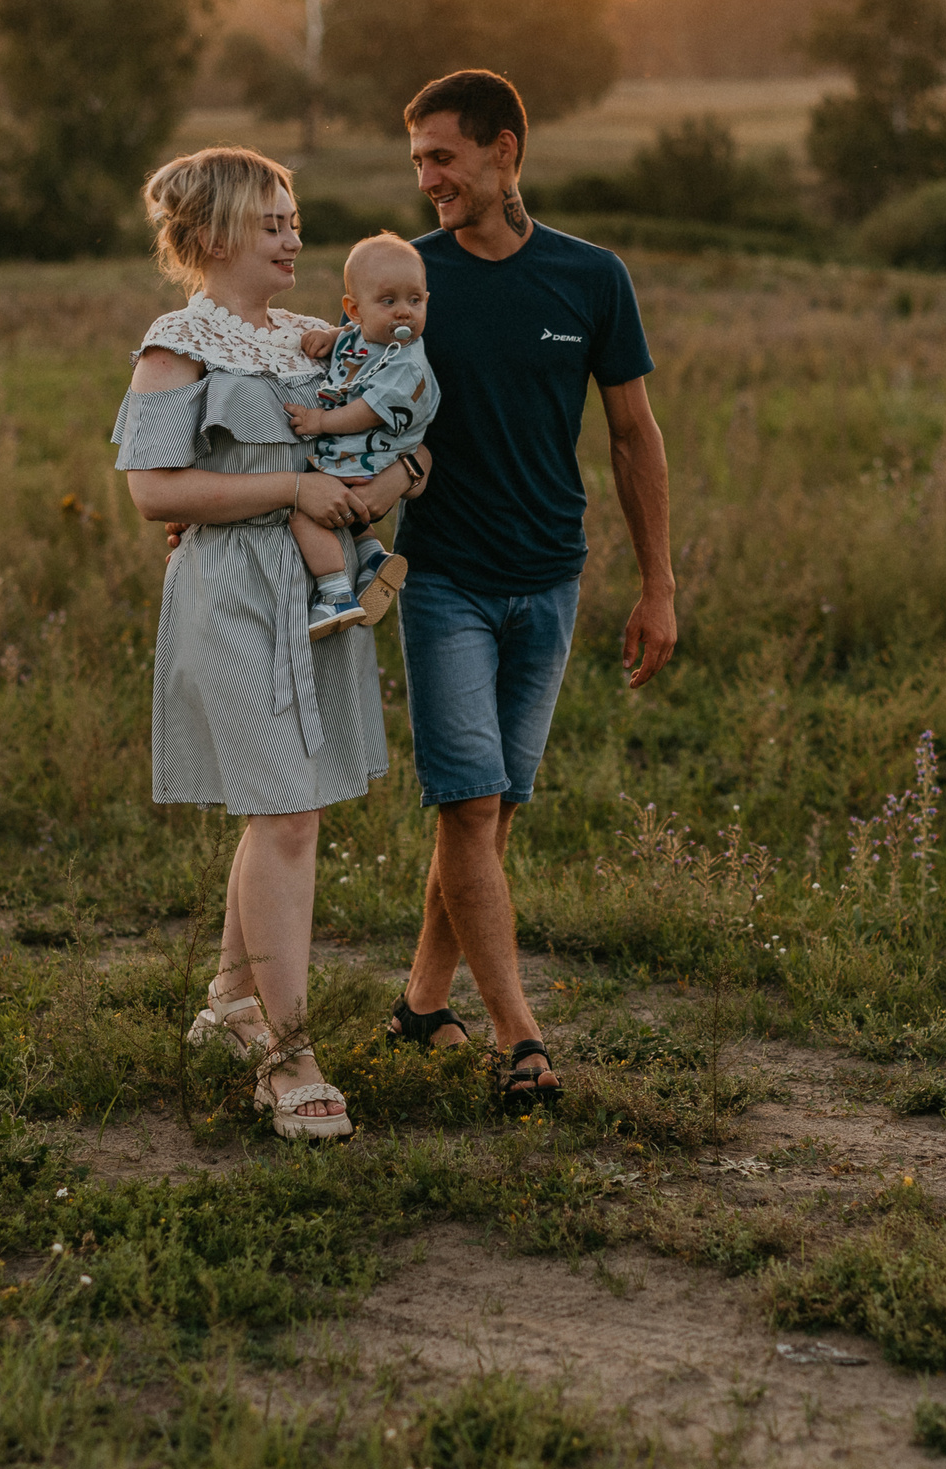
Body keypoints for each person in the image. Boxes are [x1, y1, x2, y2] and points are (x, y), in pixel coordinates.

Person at [111, 147, 426, 1142]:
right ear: (212, 237)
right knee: (286, 812)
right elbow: (154, 491)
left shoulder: (320, 340)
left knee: (289, 809)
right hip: (230, 592)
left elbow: (407, 409)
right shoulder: (177, 346)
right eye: (273, 223)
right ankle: (287, 1057)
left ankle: (230, 1005)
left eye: (296, 220)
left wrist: (403, 472)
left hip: (314, 588)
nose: (295, 238)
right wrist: (288, 488)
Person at [383, 70, 678, 1107]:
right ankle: (521, 1036)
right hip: (444, 580)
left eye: (442, 156)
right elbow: (320, 383)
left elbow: (633, 434)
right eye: (417, 158)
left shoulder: (590, 277)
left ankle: (421, 1003)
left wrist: (658, 585)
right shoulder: (406, 281)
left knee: (492, 812)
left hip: (551, 578)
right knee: (469, 805)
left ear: (504, 150)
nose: (426, 179)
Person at [284, 232, 435, 640]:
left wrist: (319, 422)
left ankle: (335, 593)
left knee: (304, 509)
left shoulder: (408, 364)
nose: (404, 313)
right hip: (362, 459)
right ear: (354, 310)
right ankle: (370, 556)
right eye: (389, 302)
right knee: (341, 512)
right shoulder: (364, 336)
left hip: (369, 459)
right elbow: (355, 342)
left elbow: (367, 411)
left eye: (415, 301)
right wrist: (334, 337)